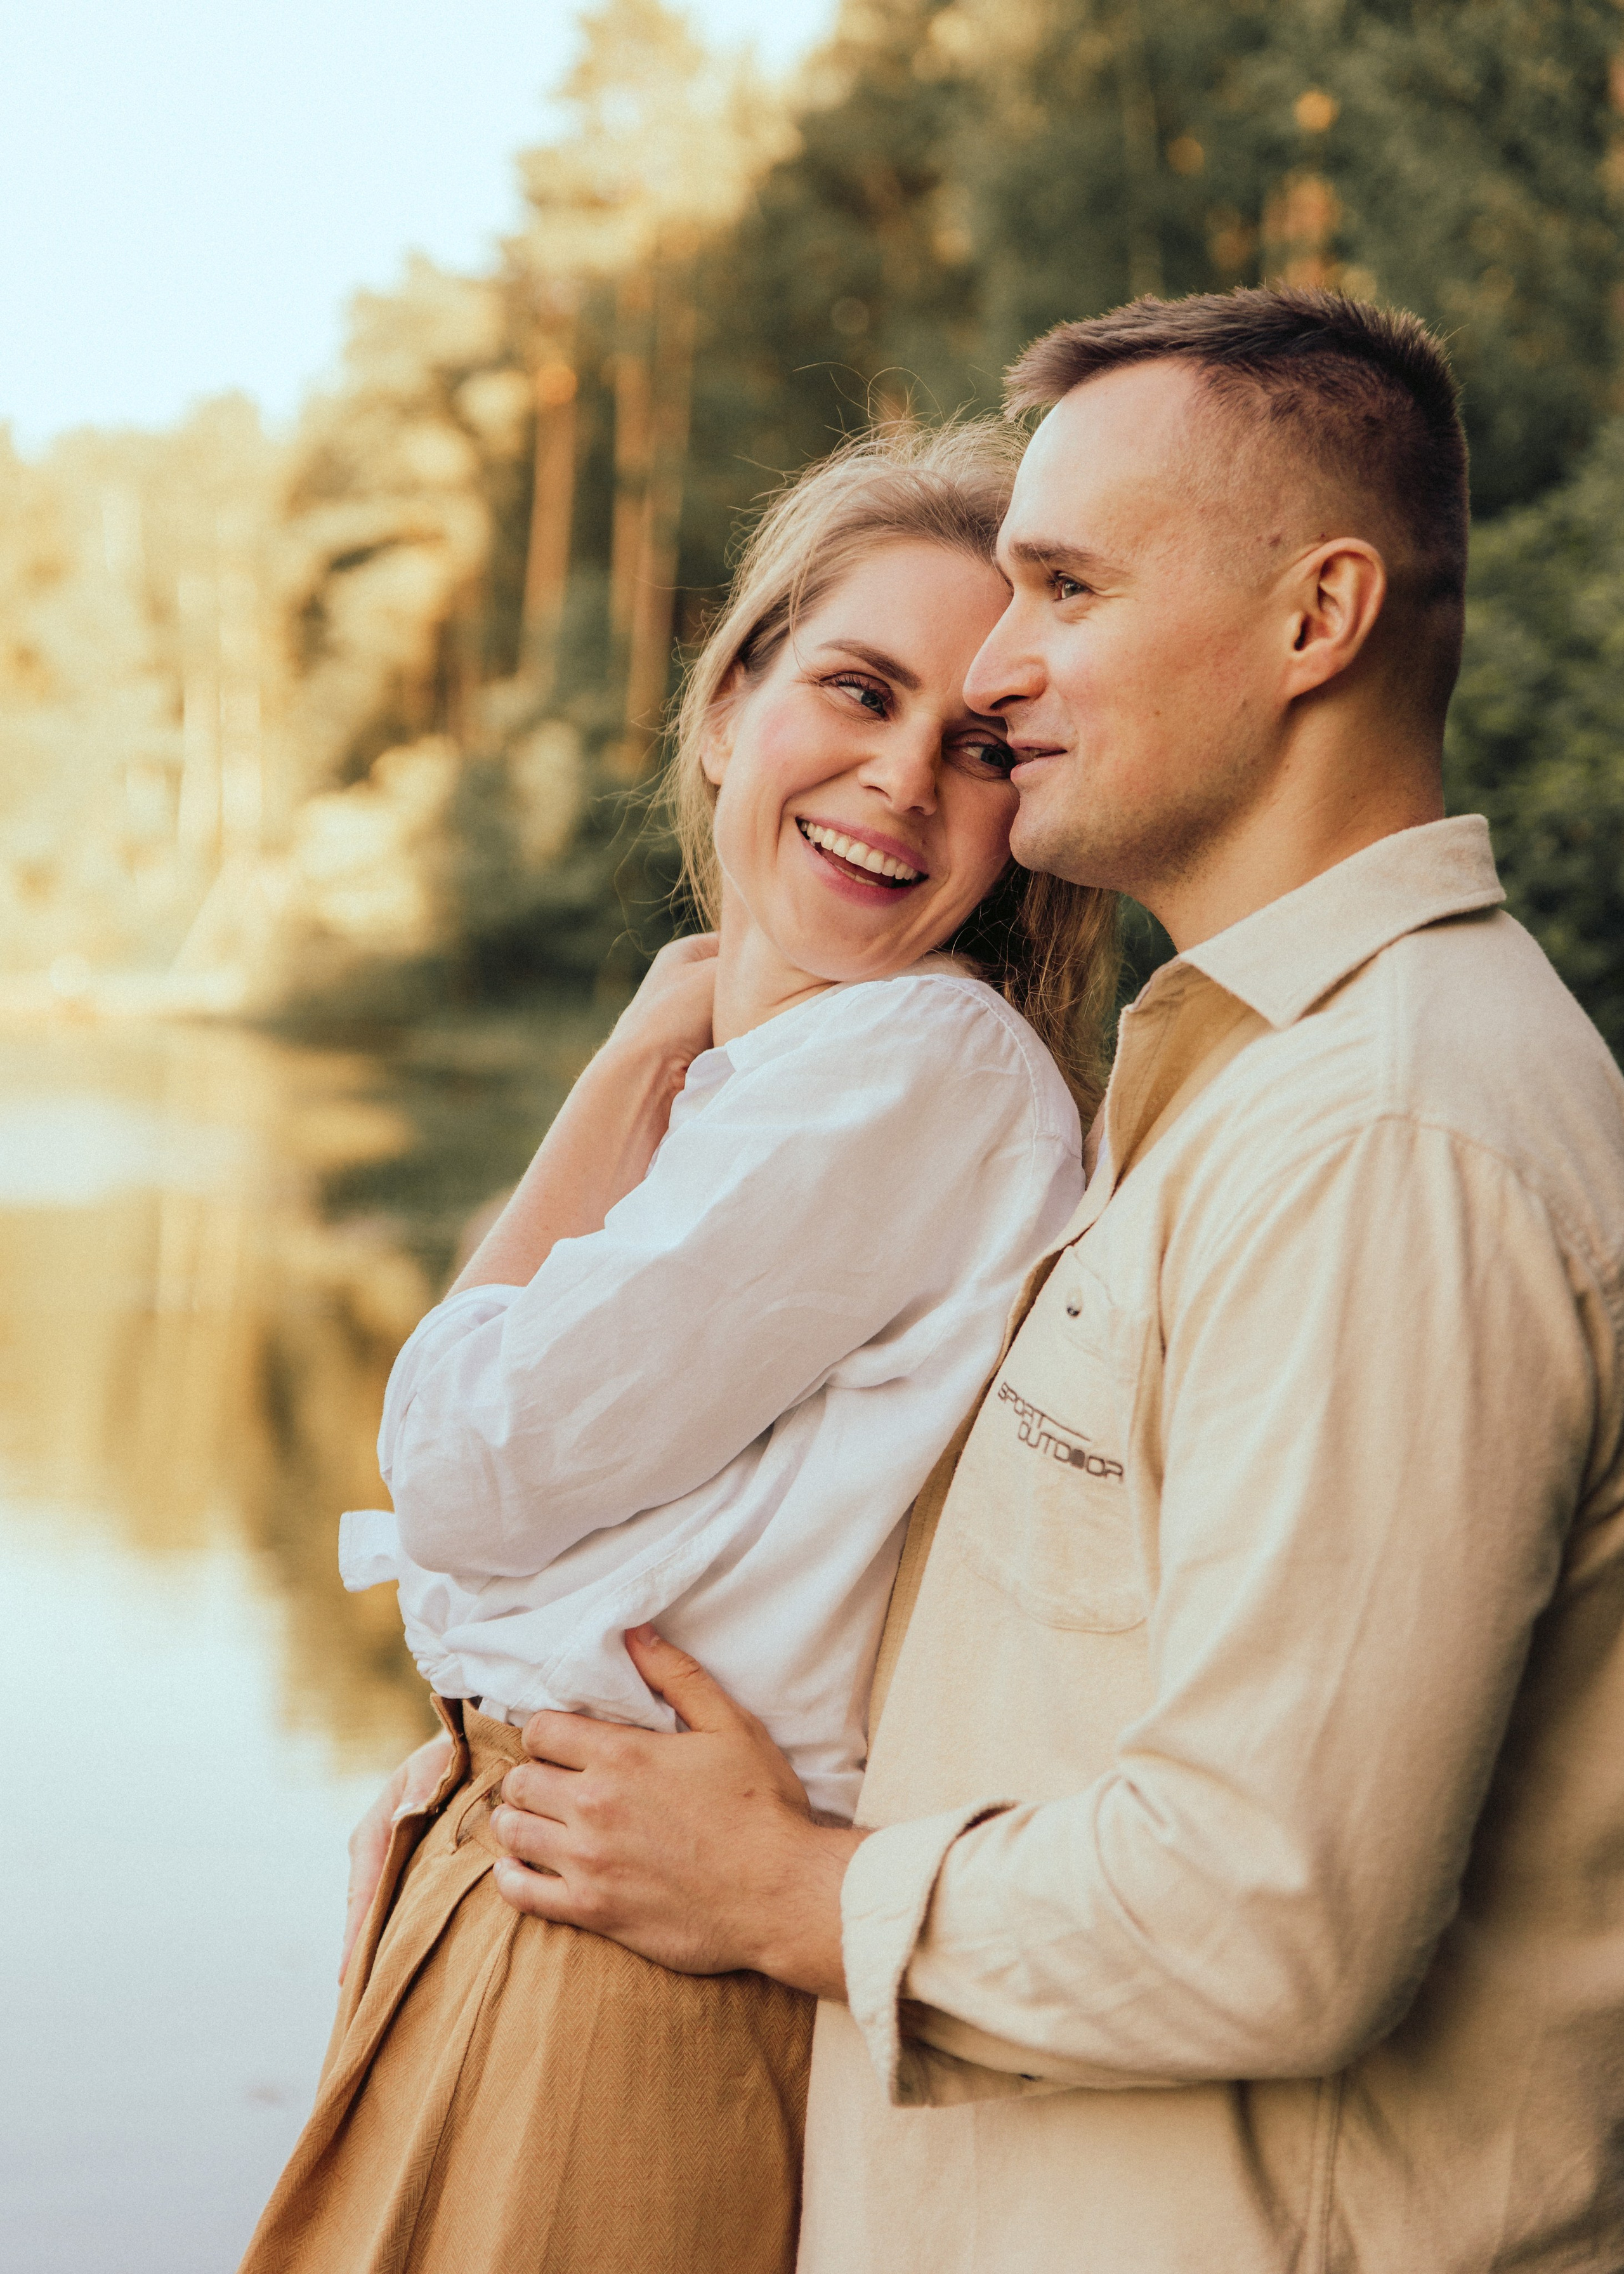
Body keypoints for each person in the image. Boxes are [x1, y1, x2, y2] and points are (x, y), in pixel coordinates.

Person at [478, 288, 1624, 2273]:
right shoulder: (1228, 1088)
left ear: (1317, 620)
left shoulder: (1385, 1141)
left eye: (1066, 588)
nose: (999, 676)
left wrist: (785, 1894)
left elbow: (1272, 1914)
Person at [237, 421, 1122, 2274]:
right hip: (547, 1881)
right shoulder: (809, 1083)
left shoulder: (913, 1068)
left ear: (1025, 818)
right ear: (732, 703)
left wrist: (629, 1056)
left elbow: (467, 1474)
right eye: (857, 692)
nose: (898, 780)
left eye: (975, 745)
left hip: (628, 1965)